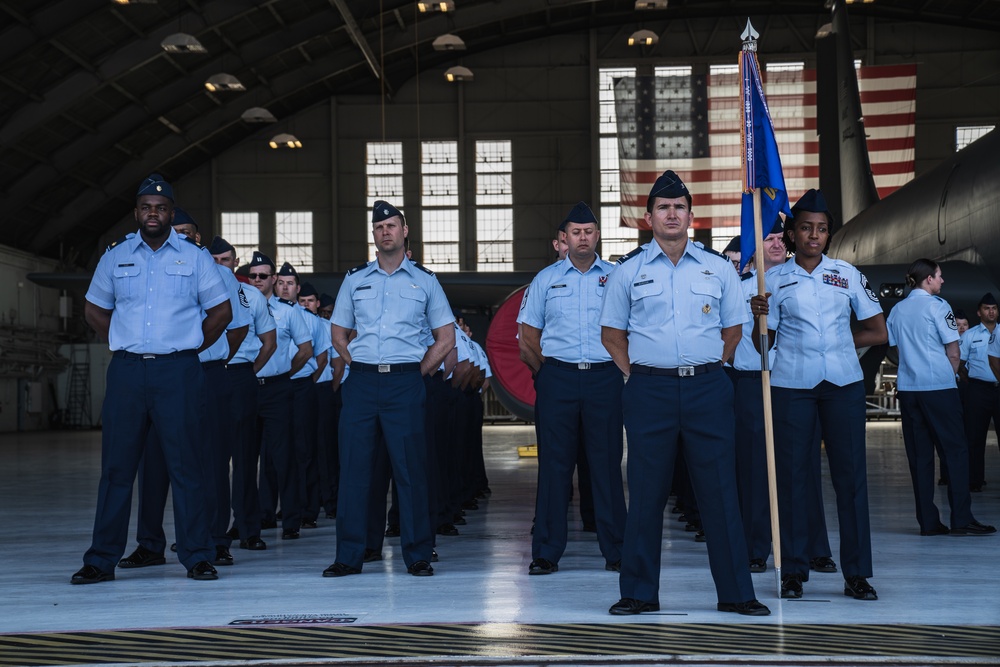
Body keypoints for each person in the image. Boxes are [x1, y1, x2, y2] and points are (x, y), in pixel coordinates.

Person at [600, 170, 768, 616]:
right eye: (663, 207)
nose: (671, 214)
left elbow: (733, 329)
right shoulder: (628, 271)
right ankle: (638, 592)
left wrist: (712, 366)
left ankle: (737, 593)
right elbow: (612, 334)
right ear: (649, 217)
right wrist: (635, 374)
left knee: (719, 493)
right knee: (647, 493)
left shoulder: (717, 268)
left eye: (679, 208)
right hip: (649, 390)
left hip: (708, 388)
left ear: (691, 216)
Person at [72, 174, 232, 584]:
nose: (154, 214)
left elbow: (221, 313)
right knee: (117, 469)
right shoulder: (116, 255)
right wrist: (122, 340)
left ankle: (197, 554)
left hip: (177, 371)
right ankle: (101, 558)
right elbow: (93, 309)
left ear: (171, 212)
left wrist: (189, 348)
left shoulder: (195, 258)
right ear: (137, 212)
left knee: (187, 466)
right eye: (147, 207)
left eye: (161, 208)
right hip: (127, 371)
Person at [750, 189, 886, 601]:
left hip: (842, 384)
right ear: (791, 233)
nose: (814, 235)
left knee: (851, 480)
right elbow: (762, 347)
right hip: (792, 386)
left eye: (821, 229)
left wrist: (842, 342)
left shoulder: (847, 274)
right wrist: (759, 317)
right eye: (806, 228)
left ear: (829, 234)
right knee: (792, 480)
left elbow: (878, 330)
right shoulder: (771, 280)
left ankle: (857, 574)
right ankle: (793, 570)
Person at [325, 200, 455, 578]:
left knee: (411, 470)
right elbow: (338, 331)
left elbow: (445, 337)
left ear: (405, 231)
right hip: (363, 382)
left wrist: (418, 372)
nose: (386, 232)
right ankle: (348, 556)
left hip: (405, 382)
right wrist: (358, 364)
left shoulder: (425, 281)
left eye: (392, 225)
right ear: (374, 235)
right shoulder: (355, 279)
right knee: (354, 471)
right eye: (379, 227)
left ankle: (417, 554)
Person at [117, 210, 250, 571]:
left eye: (188, 232)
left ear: (199, 236)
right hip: (161, 376)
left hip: (205, 374)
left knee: (210, 461)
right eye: (177, 232)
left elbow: (235, 329)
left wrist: (194, 351)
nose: (183, 237)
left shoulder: (219, 274)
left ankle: (215, 540)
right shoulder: (149, 269)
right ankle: (149, 543)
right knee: (153, 461)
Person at [517, 201, 625, 575]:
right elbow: (527, 338)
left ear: (597, 235)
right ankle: (546, 552)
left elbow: (631, 330)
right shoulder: (546, 279)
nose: (583, 238)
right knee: (554, 468)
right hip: (558, 378)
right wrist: (546, 376)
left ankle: (618, 550)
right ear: (564, 238)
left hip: (605, 377)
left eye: (589, 231)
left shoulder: (616, 277)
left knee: (607, 466)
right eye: (576, 232)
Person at [885, 259, 996, 537]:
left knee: (920, 456)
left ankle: (928, 522)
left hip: (909, 389)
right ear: (928, 279)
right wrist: (951, 376)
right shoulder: (938, 306)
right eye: (939, 276)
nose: (942, 281)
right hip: (939, 388)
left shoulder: (897, 310)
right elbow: (954, 351)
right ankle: (961, 518)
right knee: (956, 451)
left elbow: (895, 350)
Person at [209, 237, 277, 551]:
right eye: (215, 260)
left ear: (236, 264)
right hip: (206, 377)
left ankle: (248, 528)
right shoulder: (196, 294)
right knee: (210, 460)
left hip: (239, 375)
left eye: (226, 260)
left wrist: (248, 372)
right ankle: (208, 531)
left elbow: (269, 341)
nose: (221, 266)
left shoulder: (251, 295)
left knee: (245, 457)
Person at [246, 252, 313, 541]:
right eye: (253, 276)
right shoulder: (239, 306)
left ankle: (291, 519)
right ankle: (255, 517)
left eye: (263, 276)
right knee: (247, 456)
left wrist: (285, 372)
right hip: (247, 387)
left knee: (283, 455)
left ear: (274, 279)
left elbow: (306, 349)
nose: (257, 280)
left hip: (277, 388)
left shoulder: (288, 311)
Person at [959, 293, 1000, 492]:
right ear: (979, 312)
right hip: (978, 390)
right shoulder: (970, 335)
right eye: (986, 308)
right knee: (974, 437)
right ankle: (974, 481)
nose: (991, 311)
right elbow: (960, 364)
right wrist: (973, 382)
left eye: (994, 308)